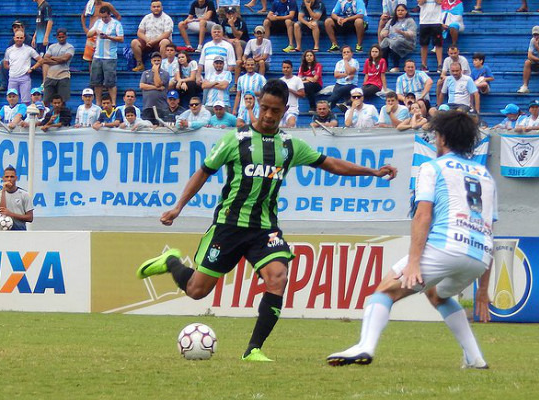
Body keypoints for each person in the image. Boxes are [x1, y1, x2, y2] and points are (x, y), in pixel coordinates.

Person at [136, 79, 397, 362]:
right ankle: (171, 262)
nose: (269, 115)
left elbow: (331, 164)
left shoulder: (289, 145)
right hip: (229, 226)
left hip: (265, 230)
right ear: (258, 105)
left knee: (278, 278)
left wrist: (372, 172)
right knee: (196, 291)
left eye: (275, 110)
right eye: (264, 108)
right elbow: (203, 172)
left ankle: (253, 350)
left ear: (285, 109)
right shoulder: (234, 141)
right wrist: (178, 207)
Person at [327, 110, 494, 369]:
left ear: (442, 138)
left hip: (446, 246)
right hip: (479, 256)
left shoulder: (432, 167)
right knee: (437, 294)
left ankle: (365, 347)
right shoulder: (485, 176)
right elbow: (489, 229)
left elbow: (422, 215)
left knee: (384, 291)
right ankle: (475, 358)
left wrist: (414, 262)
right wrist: (483, 290)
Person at [88, 5, 124, 105]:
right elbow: (89, 34)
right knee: (96, 82)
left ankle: (113, 103)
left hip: (110, 56)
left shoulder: (116, 24)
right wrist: (95, 32)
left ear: (109, 15)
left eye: (105, 17)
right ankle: (98, 103)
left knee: (110, 82)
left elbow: (121, 38)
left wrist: (108, 37)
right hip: (97, 55)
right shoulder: (98, 22)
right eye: (102, 17)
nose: (104, 19)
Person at [131, 0, 173, 72]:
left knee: (165, 42)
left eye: (158, 6)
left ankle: (162, 66)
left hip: (160, 42)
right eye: (154, 7)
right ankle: (140, 64)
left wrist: (154, 41)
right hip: (147, 42)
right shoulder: (147, 17)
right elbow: (139, 32)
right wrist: (147, 40)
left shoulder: (167, 18)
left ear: (162, 7)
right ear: (151, 8)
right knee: (134, 42)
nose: (156, 8)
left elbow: (167, 34)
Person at [4, 31, 43, 105]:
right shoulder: (9, 50)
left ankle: (24, 116)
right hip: (12, 78)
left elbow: (40, 60)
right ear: (14, 38)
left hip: (24, 78)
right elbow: (5, 64)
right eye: (17, 38)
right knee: (11, 101)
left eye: (21, 38)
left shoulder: (29, 49)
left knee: (26, 101)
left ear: (24, 38)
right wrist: (13, 68)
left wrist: (33, 68)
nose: (19, 39)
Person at [379, 4, 416, 72]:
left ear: (406, 12)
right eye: (398, 10)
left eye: (402, 10)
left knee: (395, 42)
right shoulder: (391, 21)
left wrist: (403, 33)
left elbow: (412, 34)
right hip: (392, 40)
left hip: (406, 42)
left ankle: (396, 66)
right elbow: (383, 31)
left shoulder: (410, 21)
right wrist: (384, 33)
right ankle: (385, 66)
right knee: (384, 43)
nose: (400, 12)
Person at [0, 166, 34, 231]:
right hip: (4, 230)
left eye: (12, 177)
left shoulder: (24, 194)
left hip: (20, 230)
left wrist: (10, 214)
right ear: (3, 178)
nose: (9, 179)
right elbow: (2, 211)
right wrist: (4, 190)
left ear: (16, 178)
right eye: (7, 177)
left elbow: (30, 218)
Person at [42, 28, 74, 103]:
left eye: (63, 37)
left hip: (63, 76)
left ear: (66, 36)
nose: (61, 39)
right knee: (46, 101)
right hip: (50, 76)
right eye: (59, 37)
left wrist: (52, 58)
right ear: (56, 37)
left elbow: (65, 59)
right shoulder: (52, 47)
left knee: (62, 101)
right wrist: (58, 60)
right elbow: (45, 59)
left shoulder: (70, 47)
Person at [140, 51, 170, 124]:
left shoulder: (165, 74)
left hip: (161, 107)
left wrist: (156, 71)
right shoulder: (145, 73)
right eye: (154, 60)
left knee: (161, 127)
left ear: (161, 61)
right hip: (148, 106)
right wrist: (156, 88)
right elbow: (142, 86)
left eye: (158, 60)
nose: (156, 62)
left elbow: (158, 84)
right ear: (151, 61)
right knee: (147, 127)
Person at [221, 7, 249, 83]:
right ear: (226, 15)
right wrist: (228, 40)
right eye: (229, 13)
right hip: (230, 41)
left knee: (236, 41)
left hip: (242, 43)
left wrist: (232, 26)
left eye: (232, 13)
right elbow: (221, 35)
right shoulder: (224, 22)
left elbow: (238, 36)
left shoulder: (241, 22)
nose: (231, 15)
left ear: (236, 14)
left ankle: (239, 60)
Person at [327, 46, 359, 110]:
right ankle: (329, 109)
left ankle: (327, 104)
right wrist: (346, 74)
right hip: (339, 83)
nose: (346, 54)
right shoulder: (339, 63)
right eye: (344, 52)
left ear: (352, 53)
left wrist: (346, 61)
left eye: (348, 52)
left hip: (351, 84)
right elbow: (336, 75)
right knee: (335, 93)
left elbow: (350, 71)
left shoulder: (355, 62)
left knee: (339, 91)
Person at [418, 0, 443, 72]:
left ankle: (439, 65)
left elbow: (439, 2)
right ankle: (423, 65)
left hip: (436, 21)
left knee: (438, 44)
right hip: (424, 21)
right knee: (424, 44)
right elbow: (420, 2)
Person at [280, 60, 305, 127]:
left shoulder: (297, 80)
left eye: (288, 67)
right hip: (281, 109)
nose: (286, 69)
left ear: (291, 68)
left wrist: (289, 90)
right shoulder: (280, 81)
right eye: (284, 67)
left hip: (292, 109)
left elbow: (302, 94)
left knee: (291, 124)